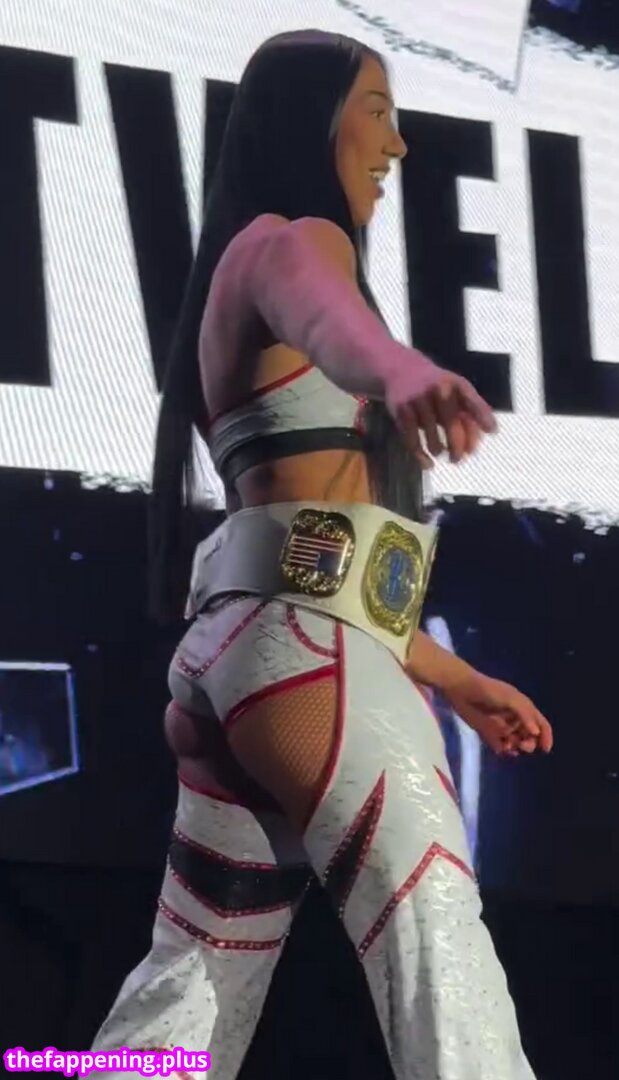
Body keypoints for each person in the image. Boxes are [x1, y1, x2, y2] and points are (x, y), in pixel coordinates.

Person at [93, 30, 553, 1080]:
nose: (395, 143)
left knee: (190, 986)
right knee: (436, 933)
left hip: (244, 657)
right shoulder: (288, 242)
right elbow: (332, 315)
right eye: (377, 111)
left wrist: (451, 675)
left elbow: (308, 554)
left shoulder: (237, 270)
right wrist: (397, 370)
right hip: (302, 660)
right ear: (315, 122)